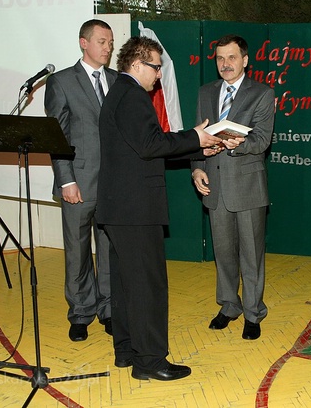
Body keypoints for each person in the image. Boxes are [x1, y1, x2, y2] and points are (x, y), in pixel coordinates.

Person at [96, 36, 222, 380]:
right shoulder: (133, 96)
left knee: (125, 284)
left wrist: (197, 148)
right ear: (137, 65)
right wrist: (195, 137)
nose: (159, 73)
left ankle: (127, 351)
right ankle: (150, 362)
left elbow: (141, 149)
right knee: (147, 286)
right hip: (136, 209)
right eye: (155, 66)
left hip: (119, 208)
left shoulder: (118, 92)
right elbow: (150, 145)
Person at [191, 34, 275, 340]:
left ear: (245, 60)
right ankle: (229, 305)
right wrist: (196, 169)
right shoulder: (205, 92)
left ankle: (253, 313)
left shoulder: (262, 93)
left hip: (248, 186)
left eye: (232, 57)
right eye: (220, 58)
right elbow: (197, 136)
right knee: (223, 252)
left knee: (251, 255)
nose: (225, 64)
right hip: (214, 186)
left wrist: (240, 144)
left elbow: (262, 140)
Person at [45, 19, 117, 342]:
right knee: (77, 251)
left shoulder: (116, 80)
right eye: (102, 41)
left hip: (112, 183)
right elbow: (57, 136)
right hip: (78, 181)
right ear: (83, 43)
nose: (108, 47)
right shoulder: (61, 82)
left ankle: (109, 309)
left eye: (110, 42)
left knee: (109, 248)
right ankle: (80, 313)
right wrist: (66, 180)